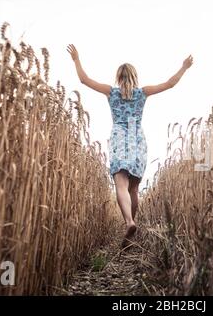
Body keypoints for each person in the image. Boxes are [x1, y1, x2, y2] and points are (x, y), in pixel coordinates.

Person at [67, 44, 193, 247]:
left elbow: (84, 80)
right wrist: (184, 67)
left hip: (119, 136)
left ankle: (129, 222)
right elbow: (170, 84)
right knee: (134, 188)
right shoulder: (142, 93)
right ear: (135, 77)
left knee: (121, 184)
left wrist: (76, 59)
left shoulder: (111, 92)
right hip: (137, 137)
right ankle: (131, 230)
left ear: (118, 77)